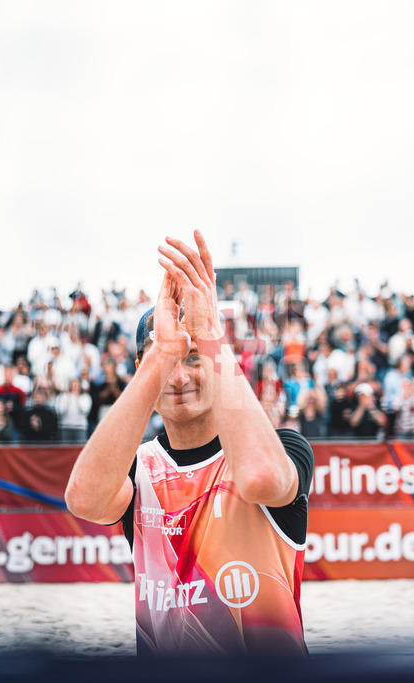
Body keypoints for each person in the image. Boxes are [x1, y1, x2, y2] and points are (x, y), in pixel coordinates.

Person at [64, 231, 312, 658]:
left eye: (194, 357)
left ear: (216, 360)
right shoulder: (140, 468)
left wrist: (210, 333)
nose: (179, 378)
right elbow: (83, 499)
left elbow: (260, 479)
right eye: (167, 362)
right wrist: (161, 354)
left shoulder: (284, 447)